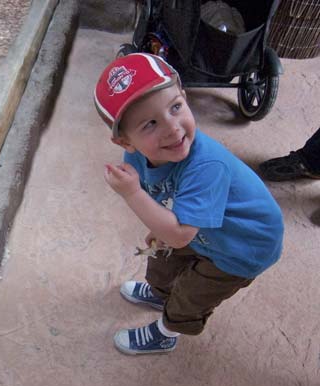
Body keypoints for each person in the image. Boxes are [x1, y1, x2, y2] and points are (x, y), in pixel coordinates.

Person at [93, 53, 284, 355]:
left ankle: (167, 331)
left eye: (176, 107)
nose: (172, 127)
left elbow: (180, 233)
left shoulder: (207, 165)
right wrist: (159, 223)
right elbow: (160, 197)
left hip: (243, 246)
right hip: (203, 229)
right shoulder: (135, 157)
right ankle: (160, 293)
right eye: (150, 124)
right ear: (126, 142)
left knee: (192, 296)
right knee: (160, 259)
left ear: (184, 96)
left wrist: (132, 195)